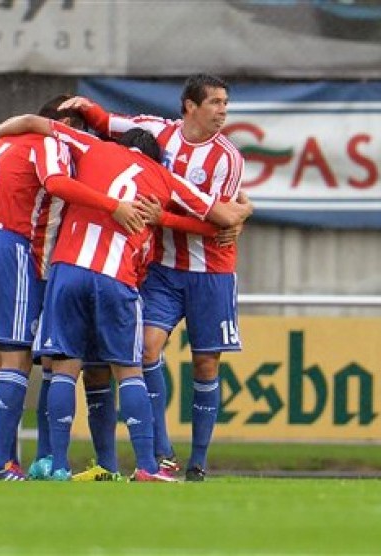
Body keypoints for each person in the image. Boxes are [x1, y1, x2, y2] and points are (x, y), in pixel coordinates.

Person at [0, 114, 252, 482]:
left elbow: (32, 121)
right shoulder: (164, 176)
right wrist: (245, 209)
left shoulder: (93, 147)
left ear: (122, 147)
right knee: (128, 370)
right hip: (115, 277)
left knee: (63, 367)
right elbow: (223, 216)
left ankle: (56, 464)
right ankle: (146, 466)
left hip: (66, 270)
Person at [0, 97, 143, 481]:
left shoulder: (8, 143)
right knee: (18, 356)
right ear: (64, 123)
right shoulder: (51, 144)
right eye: (79, 128)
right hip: (15, 249)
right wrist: (112, 205)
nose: (81, 138)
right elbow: (56, 182)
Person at [60, 74, 248, 481]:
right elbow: (111, 124)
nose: (222, 112)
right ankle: (164, 455)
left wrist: (161, 216)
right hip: (163, 268)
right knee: (146, 350)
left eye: (225, 104)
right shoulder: (158, 132)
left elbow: (217, 220)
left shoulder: (229, 159)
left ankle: (198, 461)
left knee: (205, 364)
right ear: (189, 106)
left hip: (210, 270)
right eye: (214, 103)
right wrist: (85, 108)